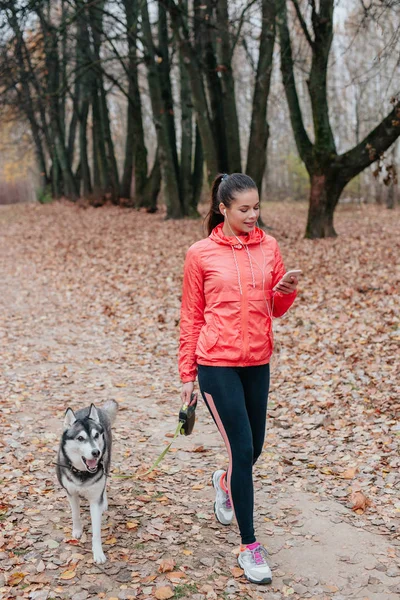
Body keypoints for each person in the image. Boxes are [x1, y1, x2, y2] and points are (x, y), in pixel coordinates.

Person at [178, 173, 298, 585]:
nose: (253, 215)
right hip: (216, 363)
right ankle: (250, 547)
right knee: (243, 447)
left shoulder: (270, 247)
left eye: (257, 207)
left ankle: (224, 482)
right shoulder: (200, 254)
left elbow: (277, 307)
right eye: (244, 209)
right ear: (223, 209)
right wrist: (187, 376)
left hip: (257, 361)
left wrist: (286, 290)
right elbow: (191, 316)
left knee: (253, 448)